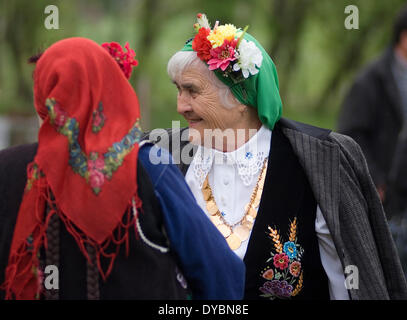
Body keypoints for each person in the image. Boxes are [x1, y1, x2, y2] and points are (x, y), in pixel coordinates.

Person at [145, 13, 407, 300]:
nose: (180, 106)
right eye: (178, 90)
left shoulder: (321, 161)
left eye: (192, 91)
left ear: (240, 96)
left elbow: (349, 281)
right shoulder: (162, 157)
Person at [0, 37, 245, 300]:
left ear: (43, 96)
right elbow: (219, 270)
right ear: (110, 88)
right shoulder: (147, 166)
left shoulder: (7, 168)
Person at [337, 5, 407, 277]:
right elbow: (349, 134)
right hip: (383, 192)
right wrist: (373, 179)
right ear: (403, 36)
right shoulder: (371, 80)